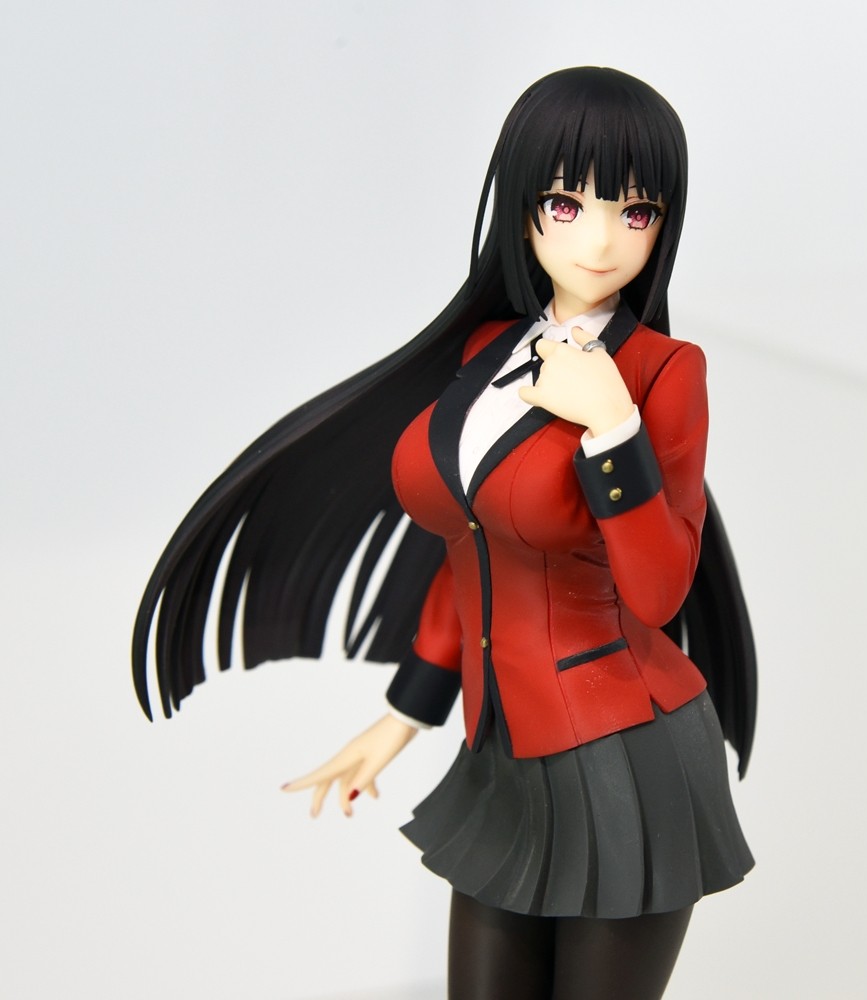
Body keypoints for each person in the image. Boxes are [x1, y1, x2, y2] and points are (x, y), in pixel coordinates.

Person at [134, 66, 756, 999]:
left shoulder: (663, 371)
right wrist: (402, 714)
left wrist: (612, 429)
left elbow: (659, 590)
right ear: (523, 206)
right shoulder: (482, 354)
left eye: (634, 211)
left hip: (626, 753)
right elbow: (470, 552)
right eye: (566, 203)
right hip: (501, 748)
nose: (598, 239)